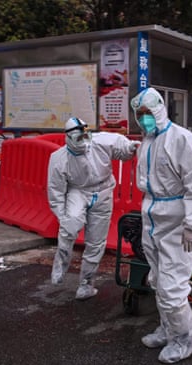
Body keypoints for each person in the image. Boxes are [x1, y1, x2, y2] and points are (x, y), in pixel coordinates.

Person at [130, 87, 192, 364]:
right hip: (152, 217)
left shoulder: (182, 140)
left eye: (148, 113)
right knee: (158, 280)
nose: (144, 120)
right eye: (139, 115)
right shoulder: (147, 141)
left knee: (173, 288)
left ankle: (185, 340)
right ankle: (168, 329)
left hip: (177, 221)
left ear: (160, 109)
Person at [47, 117, 140, 300]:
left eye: (85, 136)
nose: (84, 141)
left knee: (96, 242)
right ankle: (60, 266)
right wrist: (61, 216)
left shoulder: (100, 141)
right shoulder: (59, 159)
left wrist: (130, 148)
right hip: (78, 191)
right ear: (69, 138)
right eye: (78, 138)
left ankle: (86, 284)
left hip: (104, 190)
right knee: (69, 228)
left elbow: (121, 147)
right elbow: (55, 191)